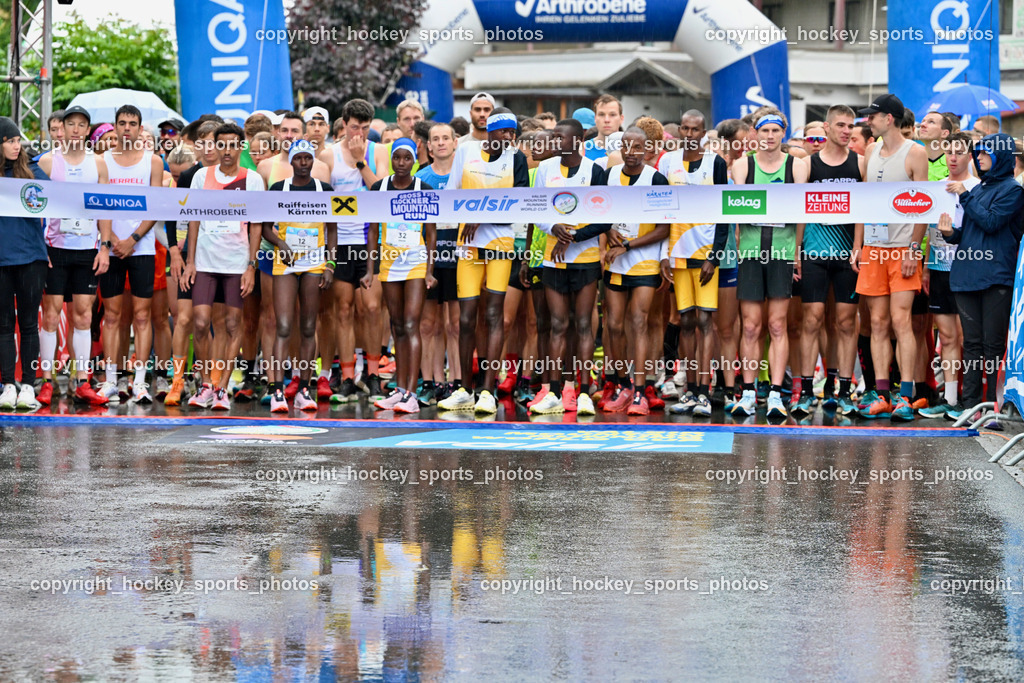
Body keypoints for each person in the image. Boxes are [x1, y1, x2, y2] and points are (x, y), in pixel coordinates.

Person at [438, 108, 530, 414]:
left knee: (493, 315)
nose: (508, 138)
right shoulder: (465, 152)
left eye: (512, 133)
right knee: (465, 318)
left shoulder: (515, 159)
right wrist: (471, 216)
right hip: (468, 243)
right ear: (489, 131)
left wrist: (483, 214)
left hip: (500, 243)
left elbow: (519, 204)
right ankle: (463, 387)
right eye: (503, 132)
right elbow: (451, 195)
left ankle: (488, 390)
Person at [853, 94, 929, 421]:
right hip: (873, 248)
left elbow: (924, 205)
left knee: (901, 322)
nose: (869, 121)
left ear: (891, 119)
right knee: (878, 323)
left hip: (902, 250)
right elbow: (864, 201)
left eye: (874, 116)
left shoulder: (916, 152)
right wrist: (858, 245)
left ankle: (907, 395)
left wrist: (914, 248)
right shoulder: (870, 150)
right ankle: (882, 393)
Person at [730, 110, 810, 419]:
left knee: (777, 324)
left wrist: (797, 252)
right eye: (765, 131)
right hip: (751, 252)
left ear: (784, 134)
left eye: (776, 131)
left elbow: (801, 211)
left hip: (782, 252)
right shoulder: (742, 164)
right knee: (751, 326)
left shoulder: (797, 165)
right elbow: (735, 209)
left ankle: (776, 394)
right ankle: (749, 391)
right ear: (755, 133)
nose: (770, 136)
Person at [528, 118, 608, 417]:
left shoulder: (594, 171)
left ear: (576, 140)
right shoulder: (545, 170)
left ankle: (585, 392)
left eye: (560, 137)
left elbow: (604, 217)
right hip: (553, 258)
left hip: (585, 258)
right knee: (558, 325)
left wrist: (573, 236)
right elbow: (535, 209)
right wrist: (554, 227)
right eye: (553, 136)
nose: (554, 141)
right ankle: (554, 391)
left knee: (583, 324)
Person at [182, 122, 265, 409]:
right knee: (202, 322)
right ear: (214, 147)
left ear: (240, 147)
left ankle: (222, 388)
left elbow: (256, 226)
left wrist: (251, 266)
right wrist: (190, 261)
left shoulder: (252, 179)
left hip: (236, 262)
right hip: (205, 261)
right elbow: (193, 219)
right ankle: (205, 384)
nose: (227, 150)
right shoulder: (202, 176)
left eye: (233, 145)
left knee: (232, 325)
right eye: (222, 144)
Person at [941, 132, 1024, 418]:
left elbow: (991, 223)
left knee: (993, 345)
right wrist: (951, 234)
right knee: (972, 344)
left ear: (1001, 156)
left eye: (986, 153)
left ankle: (993, 407)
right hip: (966, 276)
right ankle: (969, 405)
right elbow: (972, 232)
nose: (980, 157)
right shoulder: (979, 189)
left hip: (996, 277)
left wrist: (964, 194)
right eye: (978, 153)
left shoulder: (1013, 190)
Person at [36, 105, 113, 406]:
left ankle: (81, 381)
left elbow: (105, 207)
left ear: (87, 130)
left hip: (87, 249)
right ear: (62, 128)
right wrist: (39, 248)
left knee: (83, 314)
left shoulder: (99, 164)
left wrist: (105, 246)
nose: (76, 129)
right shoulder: (46, 163)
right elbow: (31, 205)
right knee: (51, 316)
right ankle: (46, 380)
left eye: (82, 124)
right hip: (54, 249)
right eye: (71, 124)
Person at [792, 104, 864, 418]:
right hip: (814, 253)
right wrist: (796, 250)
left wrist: (858, 248)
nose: (846, 131)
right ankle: (807, 390)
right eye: (841, 125)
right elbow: (798, 209)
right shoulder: (807, 164)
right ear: (826, 127)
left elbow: (864, 208)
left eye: (851, 126)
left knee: (846, 323)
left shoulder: (860, 163)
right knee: (812, 320)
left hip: (847, 254)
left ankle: (844, 390)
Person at [658, 110, 729, 417]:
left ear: (703, 132)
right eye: (684, 128)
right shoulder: (668, 162)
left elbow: (727, 211)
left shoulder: (716, 163)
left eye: (695, 129)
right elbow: (659, 210)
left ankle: (705, 390)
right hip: (677, 252)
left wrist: (715, 256)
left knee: (704, 322)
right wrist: (663, 253)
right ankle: (689, 391)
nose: (688, 134)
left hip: (705, 255)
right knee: (685, 321)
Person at [318, 98, 389, 404]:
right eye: (354, 127)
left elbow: (382, 192)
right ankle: (347, 376)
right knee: (343, 310)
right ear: (343, 125)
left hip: (371, 241)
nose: (359, 133)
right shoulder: (328, 154)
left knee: (371, 309)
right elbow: (320, 203)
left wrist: (361, 161)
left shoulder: (379, 152)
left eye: (364, 127)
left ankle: (373, 375)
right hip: (339, 242)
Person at [363, 138, 437, 414]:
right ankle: (400, 389)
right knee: (396, 325)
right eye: (398, 158)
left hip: (416, 261)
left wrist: (430, 271)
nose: (402, 163)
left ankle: (412, 393)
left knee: (410, 324)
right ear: (392, 160)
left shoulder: (423, 188)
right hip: (389, 262)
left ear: (414, 161)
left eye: (407, 158)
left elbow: (431, 233)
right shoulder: (379, 188)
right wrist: (370, 270)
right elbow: (371, 231)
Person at [98, 104, 166, 404]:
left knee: (141, 316)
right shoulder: (101, 161)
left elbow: (155, 205)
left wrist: (134, 238)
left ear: (140, 128)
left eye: (133, 123)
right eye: (122, 123)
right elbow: (97, 203)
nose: (127, 128)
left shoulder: (153, 161)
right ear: (115, 127)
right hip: (111, 248)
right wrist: (112, 239)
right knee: (112, 317)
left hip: (142, 247)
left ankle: (139, 382)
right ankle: (111, 380)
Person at [264, 139, 337, 412]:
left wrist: (330, 265)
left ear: (313, 161)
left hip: (315, 263)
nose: (304, 163)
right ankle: (277, 390)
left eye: (308, 158)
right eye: (299, 158)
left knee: (308, 327)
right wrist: (279, 243)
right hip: (285, 262)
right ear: (291, 161)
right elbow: (264, 227)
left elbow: (332, 230)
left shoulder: (324, 189)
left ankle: (305, 389)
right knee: (283, 326)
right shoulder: (278, 189)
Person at [601, 127, 670, 414]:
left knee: (639, 323)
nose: (631, 153)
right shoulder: (609, 176)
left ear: (648, 149)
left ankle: (640, 390)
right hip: (615, 261)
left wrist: (628, 244)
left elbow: (665, 228)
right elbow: (597, 211)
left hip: (643, 260)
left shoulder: (656, 179)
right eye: (626, 146)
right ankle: (622, 385)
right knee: (614, 326)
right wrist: (608, 228)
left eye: (637, 147)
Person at [920, 132, 977, 418]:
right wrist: (927, 268)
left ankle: (971, 399)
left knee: (968, 338)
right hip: (939, 268)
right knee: (947, 335)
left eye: (959, 152)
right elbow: (931, 229)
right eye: (949, 152)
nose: (953, 157)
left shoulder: (978, 187)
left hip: (969, 269)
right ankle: (951, 399)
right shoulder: (936, 188)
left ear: (970, 155)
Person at [0, 117, 50, 410]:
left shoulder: (32, 171)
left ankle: (29, 386)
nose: (17, 146)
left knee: (29, 323)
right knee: (4, 324)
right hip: (2, 259)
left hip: (32, 256)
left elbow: (58, 200)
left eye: (18, 140)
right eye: (10, 141)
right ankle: (8, 384)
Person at [415, 122, 460, 404]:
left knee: (455, 324)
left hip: (459, 256)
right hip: (429, 256)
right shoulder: (420, 178)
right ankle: (432, 381)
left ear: (455, 143)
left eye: (446, 138)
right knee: (428, 324)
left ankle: (456, 381)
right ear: (428, 146)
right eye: (435, 139)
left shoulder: (466, 175)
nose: (441, 143)